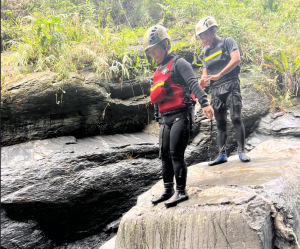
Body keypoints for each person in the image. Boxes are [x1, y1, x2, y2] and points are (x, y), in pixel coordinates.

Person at [143, 25, 214, 208]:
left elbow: (192, 83)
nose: (153, 55)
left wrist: (204, 103)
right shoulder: (158, 70)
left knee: (176, 154)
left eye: (155, 50)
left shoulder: (179, 63)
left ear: (165, 44)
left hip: (180, 116)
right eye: (150, 53)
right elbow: (157, 97)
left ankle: (181, 191)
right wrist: (158, 119)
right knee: (164, 156)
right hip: (165, 119)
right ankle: (168, 190)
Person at [195, 16, 251, 166]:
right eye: (201, 37)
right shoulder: (206, 51)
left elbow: (236, 59)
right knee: (220, 122)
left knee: (236, 118)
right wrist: (203, 80)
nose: (203, 39)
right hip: (216, 89)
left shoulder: (227, 41)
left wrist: (220, 74)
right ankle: (222, 154)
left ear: (214, 30)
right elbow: (205, 72)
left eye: (205, 35)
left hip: (231, 84)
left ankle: (241, 151)